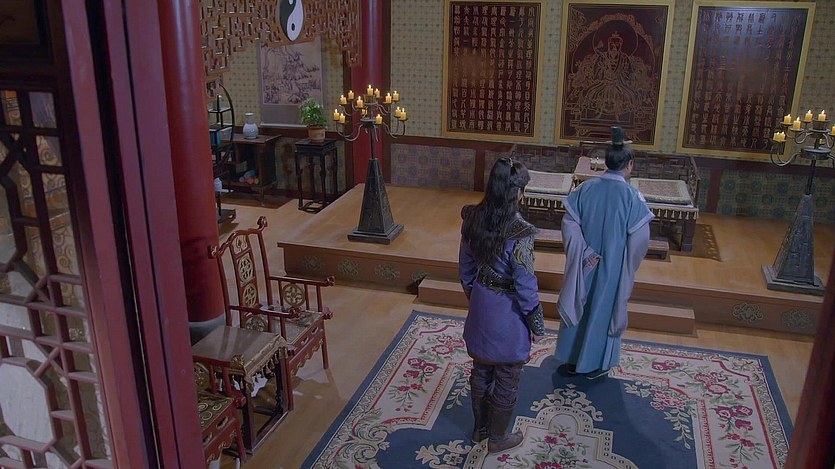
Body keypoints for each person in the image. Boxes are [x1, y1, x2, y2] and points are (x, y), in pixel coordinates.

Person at [459, 156, 545, 454]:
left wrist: (477, 298)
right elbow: (525, 286)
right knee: (507, 374)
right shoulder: (521, 232)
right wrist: (536, 324)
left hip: (481, 302)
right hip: (508, 313)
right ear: (517, 191)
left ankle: (479, 429)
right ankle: (498, 438)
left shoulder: (472, 218)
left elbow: (466, 268)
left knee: (481, 369)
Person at [555, 126, 653, 380]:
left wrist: (582, 251)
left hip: (585, 262)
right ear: (629, 165)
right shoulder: (632, 197)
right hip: (612, 267)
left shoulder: (585, 189)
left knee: (579, 301)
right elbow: (641, 239)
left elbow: (569, 223)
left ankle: (571, 359)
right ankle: (594, 365)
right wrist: (626, 261)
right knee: (602, 310)